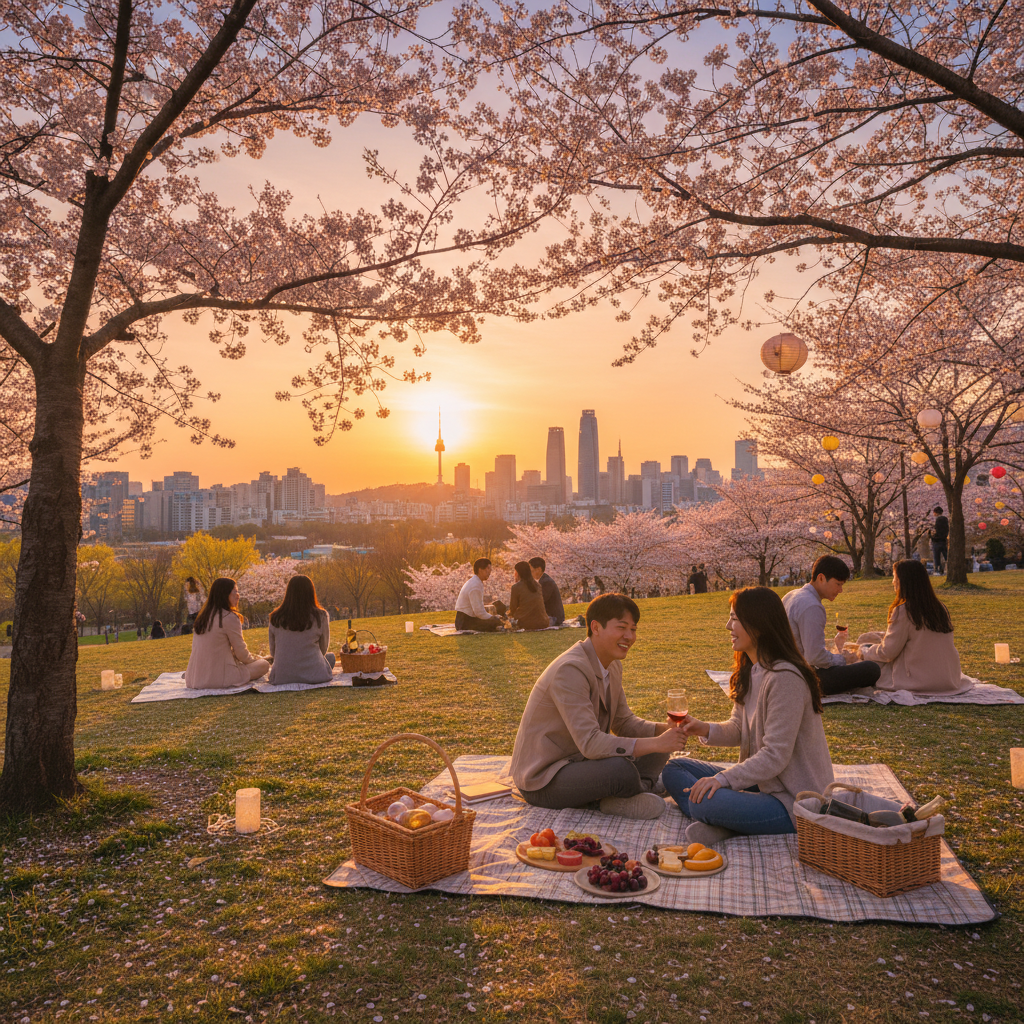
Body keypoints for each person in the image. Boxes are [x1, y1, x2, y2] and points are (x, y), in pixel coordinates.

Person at [663, 587, 835, 845]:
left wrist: (723, 779)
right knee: (674, 769)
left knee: (704, 802)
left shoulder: (785, 678)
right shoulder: (753, 670)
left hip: (794, 800)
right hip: (762, 784)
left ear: (760, 624)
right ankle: (729, 822)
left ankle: (722, 819)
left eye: (735, 618)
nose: (727, 626)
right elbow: (739, 729)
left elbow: (775, 755)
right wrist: (702, 728)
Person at [510, 593, 686, 819]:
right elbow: (591, 743)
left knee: (655, 748)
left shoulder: (611, 665)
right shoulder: (570, 670)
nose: (629, 636)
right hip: (545, 778)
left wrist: (662, 731)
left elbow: (623, 722)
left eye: (633, 629)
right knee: (619, 769)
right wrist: (654, 742)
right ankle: (629, 793)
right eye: (622, 627)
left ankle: (632, 792)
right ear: (595, 627)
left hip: (582, 764)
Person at [853, 560, 974, 695]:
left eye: (895, 577)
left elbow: (887, 653)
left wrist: (864, 652)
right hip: (948, 679)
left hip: (918, 680)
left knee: (868, 664)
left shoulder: (904, 610)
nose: (893, 582)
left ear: (903, 581)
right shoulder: (940, 607)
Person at [781, 555, 881, 695]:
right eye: (838, 584)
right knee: (871, 669)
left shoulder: (791, 595)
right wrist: (843, 659)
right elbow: (814, 658)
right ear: (821, 578)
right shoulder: (812, 606)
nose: (840, 590)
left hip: (785, 669)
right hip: (803, 676)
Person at [184, 577, 270, 689]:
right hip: (219, 678)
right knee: (264, 665)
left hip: (193, 678)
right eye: (235, 592)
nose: (238, 595)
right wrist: (255, 660)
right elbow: (241, 654)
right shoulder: (229, 617)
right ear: (225, 595)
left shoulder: (202, 617)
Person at [267, 575, 335, 685]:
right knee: (330, 657)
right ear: (311, 593)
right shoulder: (321, 616)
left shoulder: (275, 617)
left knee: (329, 658)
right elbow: (323, 648)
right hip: (315, 675)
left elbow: (273, 651)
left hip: (282, 676)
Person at [454, 558, 503, 631]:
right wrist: (492, 617)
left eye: (490, 569)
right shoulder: (475, 585)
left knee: (495, 621)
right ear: (480, 570)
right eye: (488, 568)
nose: (490, 571)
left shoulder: (476, 581)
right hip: (465, 622)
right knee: (496, 622)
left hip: (465, 619)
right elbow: (479, 612)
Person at [509, 561, 551, 630]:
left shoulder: (516, 587)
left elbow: (513, 609)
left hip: (526, 623)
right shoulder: (538, 585)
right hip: (544, 622)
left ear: (517, 573)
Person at [528, 556, 565, 626]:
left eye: (531, 570)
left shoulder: (547, 582)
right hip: (549, 616)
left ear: (538, 569)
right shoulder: (543, 581)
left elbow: (540, 601)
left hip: (553, 617)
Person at [930, 506, 949, 574]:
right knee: (946, 556)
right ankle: (950, 568)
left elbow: (937, 531)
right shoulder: (945, 519)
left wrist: (932, 536)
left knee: (936, 557)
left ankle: (938, 570)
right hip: (944, 540)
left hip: (937, 541)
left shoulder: (938, 520)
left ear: (935, 512)